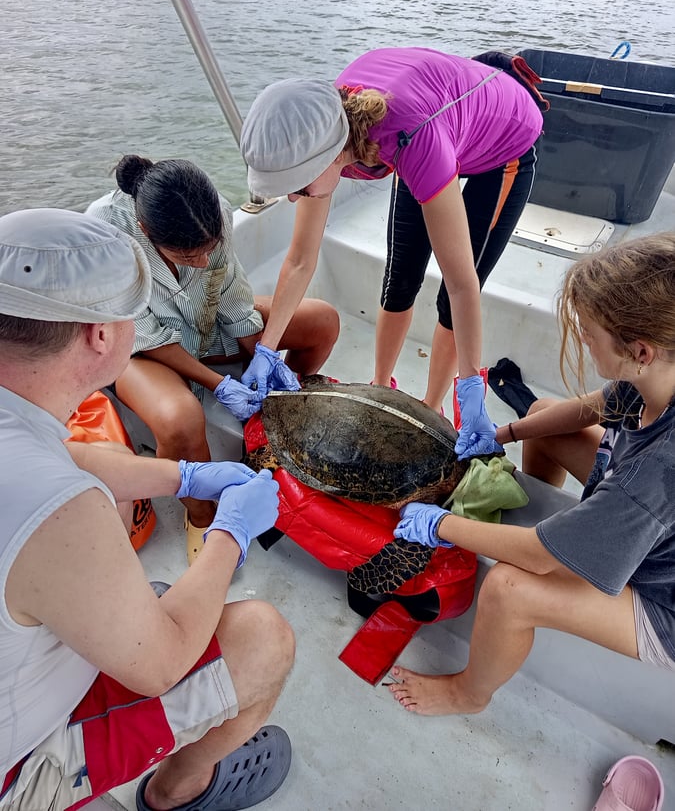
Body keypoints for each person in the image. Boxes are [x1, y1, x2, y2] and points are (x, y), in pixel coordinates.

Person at [0, 208, 295, 811]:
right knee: (263, 639)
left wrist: (186, 474)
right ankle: (177, 790)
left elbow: (67, 461)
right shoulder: (62, 511)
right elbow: (159, 665)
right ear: (101, 335)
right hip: (17, 768)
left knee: (113, 481)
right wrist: (231, 535)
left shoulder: (21, 430)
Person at [381, 234, 675, 715]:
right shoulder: (658, 373)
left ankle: (469, 694)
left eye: (590, 332)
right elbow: (594, 408)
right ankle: (566, 525)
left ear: (640, 350)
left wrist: (439, 523)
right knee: (544, 414)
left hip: (662, 600)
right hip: (649, 525)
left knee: (508, 589)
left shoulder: (655, 473)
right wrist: (506, 433)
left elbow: (537, 560)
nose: (582, 337)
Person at [239, 46, 546, 459]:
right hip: (431, 122)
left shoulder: (413, 139)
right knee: (400, 277)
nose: (295, 199)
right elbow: (299, 260)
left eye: (300, 187)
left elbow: (461, 285)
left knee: (449, 294)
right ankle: (382, 387)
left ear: (332, 157)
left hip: (502, 145)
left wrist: (470, 385)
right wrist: (267, 348)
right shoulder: (323, 132)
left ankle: (433, 405)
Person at [86, 155, 339, 563]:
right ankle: (203, 517)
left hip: (205, 325)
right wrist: (217, 383)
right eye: (189, 258)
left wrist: (265, 356)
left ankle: (273, 425)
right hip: (138, 346)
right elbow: (143, 332)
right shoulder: (104, 231)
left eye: (208, 252)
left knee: (322, 322)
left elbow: (233, 300)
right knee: (180, 419)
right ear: (147, 232)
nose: (202, 263)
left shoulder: (214, 211)